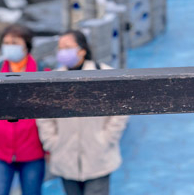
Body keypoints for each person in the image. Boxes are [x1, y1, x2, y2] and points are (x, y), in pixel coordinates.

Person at [37, 31, 129, 195]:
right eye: (60, 48)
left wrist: (107, 137)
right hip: (65, 156)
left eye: (67, 47)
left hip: (98, 157)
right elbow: (43, 114)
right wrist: (51, 141)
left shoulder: (104, 73)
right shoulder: (52, 79)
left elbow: (121, 107)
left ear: (82, 50)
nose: (62, 51)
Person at [0, 24, 46, 195]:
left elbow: (49, 116)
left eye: (14, 42)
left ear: (26, 44)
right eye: (6, 42)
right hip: (0, 149)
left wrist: (50, 147)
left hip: (33, 150)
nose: (9, 46)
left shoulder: (42, 71)